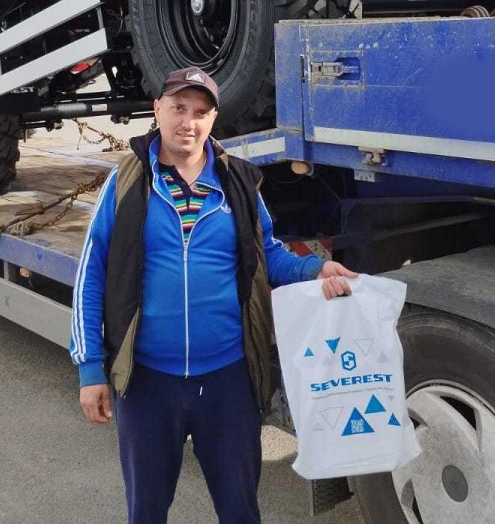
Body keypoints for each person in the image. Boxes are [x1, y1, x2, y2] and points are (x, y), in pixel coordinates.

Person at [70, 65, 357, 524]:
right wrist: (90, 368)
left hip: (227, 381)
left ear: (213, 119)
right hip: (147, 382)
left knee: (240, 510)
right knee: (146, 512)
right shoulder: (127, 182)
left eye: (200, 112)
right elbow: (92, 275)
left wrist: (314, 268)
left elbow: (267, 254)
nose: (188, 122)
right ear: (157, 110)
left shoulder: (238, 182)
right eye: (178, 108)